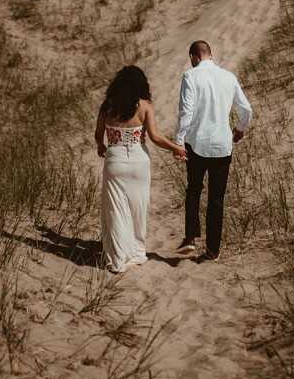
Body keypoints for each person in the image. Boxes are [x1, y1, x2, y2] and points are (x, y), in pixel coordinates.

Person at [96, 65, 186, 274]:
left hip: (115, 161)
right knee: (138, 208)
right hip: (138, 162)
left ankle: (118, 258)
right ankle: (136, 253)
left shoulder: (107, 105)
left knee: (116, 211)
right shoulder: (145, 106)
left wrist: (101, 145)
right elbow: (154, 137)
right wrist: (175, 148)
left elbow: (98, 133)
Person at [174, 40, 252, 262]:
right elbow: (246, 109)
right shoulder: (228, 77)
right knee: (217, 198)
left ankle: (190, 237)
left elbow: (186, 112)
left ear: (192, 57)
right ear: (211, 54)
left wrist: (179, 142)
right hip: (222, 144)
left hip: (196, 143)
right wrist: (239, 129)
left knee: (194, 189)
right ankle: (213, 249)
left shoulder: (190, 76)